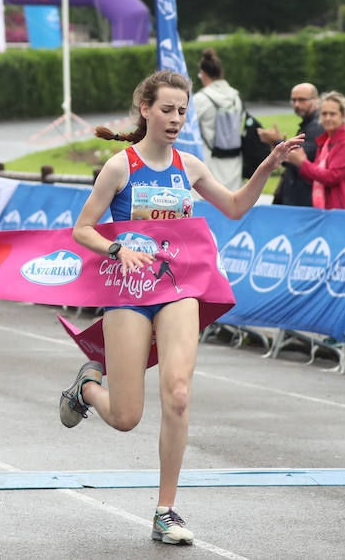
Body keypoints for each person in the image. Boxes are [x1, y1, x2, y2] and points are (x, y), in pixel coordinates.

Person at [61, 70, 302, 545]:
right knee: (126, 416)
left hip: (178, 288)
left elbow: (234, 207)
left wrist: (268, 165)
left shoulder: (188, 166)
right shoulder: (120, 167)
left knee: (178, 393)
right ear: (145, 110)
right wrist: (118, 249)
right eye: (167, 109)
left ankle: (165, 510)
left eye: (181, 110)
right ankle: (87, 386)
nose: (175, 118)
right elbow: (82, 229)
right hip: (129, 292)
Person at [292, 91, 345, 210]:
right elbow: (316, 177)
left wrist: (302, 163)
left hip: (344, 210)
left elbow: (332, 177)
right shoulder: (326, 141)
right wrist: (300, 162)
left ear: (343, 115)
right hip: (326, 208)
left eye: (333, 114)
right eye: (324, 114)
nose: (327, 118)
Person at [259, 83, 324, 206]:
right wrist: (275, 145)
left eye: (302, 100)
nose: (297, 105)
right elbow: (290, 162)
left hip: (304, 200)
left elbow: (300, 159)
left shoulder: (317, 127)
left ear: (316, 100)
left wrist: (276, 142)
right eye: (293, 100)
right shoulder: (308, 124)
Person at [191, 48, 245, 191]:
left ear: (202, 74)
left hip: (210, 162)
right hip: (234, 161)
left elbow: (187, 127)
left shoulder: (200, 99)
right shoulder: (236, 96)